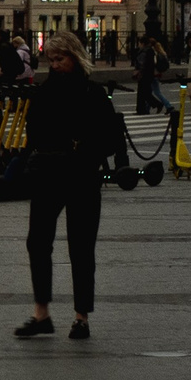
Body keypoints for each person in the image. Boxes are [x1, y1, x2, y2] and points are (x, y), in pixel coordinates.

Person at [15, 33, 129, 341]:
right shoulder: (45, 93)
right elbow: (32, 132)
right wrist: (23, 163)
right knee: (37, 242)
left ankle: (81, 317)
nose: (54, 65)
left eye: (60, 59)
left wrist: (104, 158)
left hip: (81, 175)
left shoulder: (92, 93)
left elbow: (112, 134)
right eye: (51, 60)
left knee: (81, 247)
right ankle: (42, 313)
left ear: (75, 58)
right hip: (48, 174)